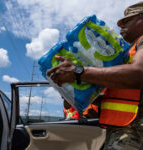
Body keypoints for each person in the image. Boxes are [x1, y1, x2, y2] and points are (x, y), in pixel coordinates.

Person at [47, 2, 143, 150]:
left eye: (126, 21)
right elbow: (127, 97)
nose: (121, 27)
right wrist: (77, 98)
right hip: (125, 131)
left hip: (135, 133)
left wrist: (78, 72)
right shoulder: (131, 50)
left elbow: (138, 74)